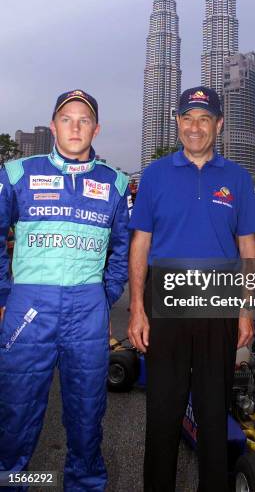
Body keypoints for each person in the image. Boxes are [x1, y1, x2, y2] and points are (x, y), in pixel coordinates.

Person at [128, 86, 255, 492]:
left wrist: (246, 309)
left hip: (218, 297)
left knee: (213, 411)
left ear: (218, 124)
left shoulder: (238, 178)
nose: (195, 127)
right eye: (187, 118)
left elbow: (248, 246)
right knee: (163, 411)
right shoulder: (155, 175)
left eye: (204, 118)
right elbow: (141, 242)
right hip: (165, 296)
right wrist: (136, 307)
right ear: (178, 123)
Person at [0, 90, 131, 490]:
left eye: (84, 120)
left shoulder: (116, 182)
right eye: (67, 119)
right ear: (54, 125)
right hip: (28, 307)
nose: (75, 127)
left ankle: (85, 483)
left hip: (87, 308)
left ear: (96, 128)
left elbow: (123, 248)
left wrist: (103, 296)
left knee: (87, 412)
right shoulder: (17, 172)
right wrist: (4, 295)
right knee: (16, 411)